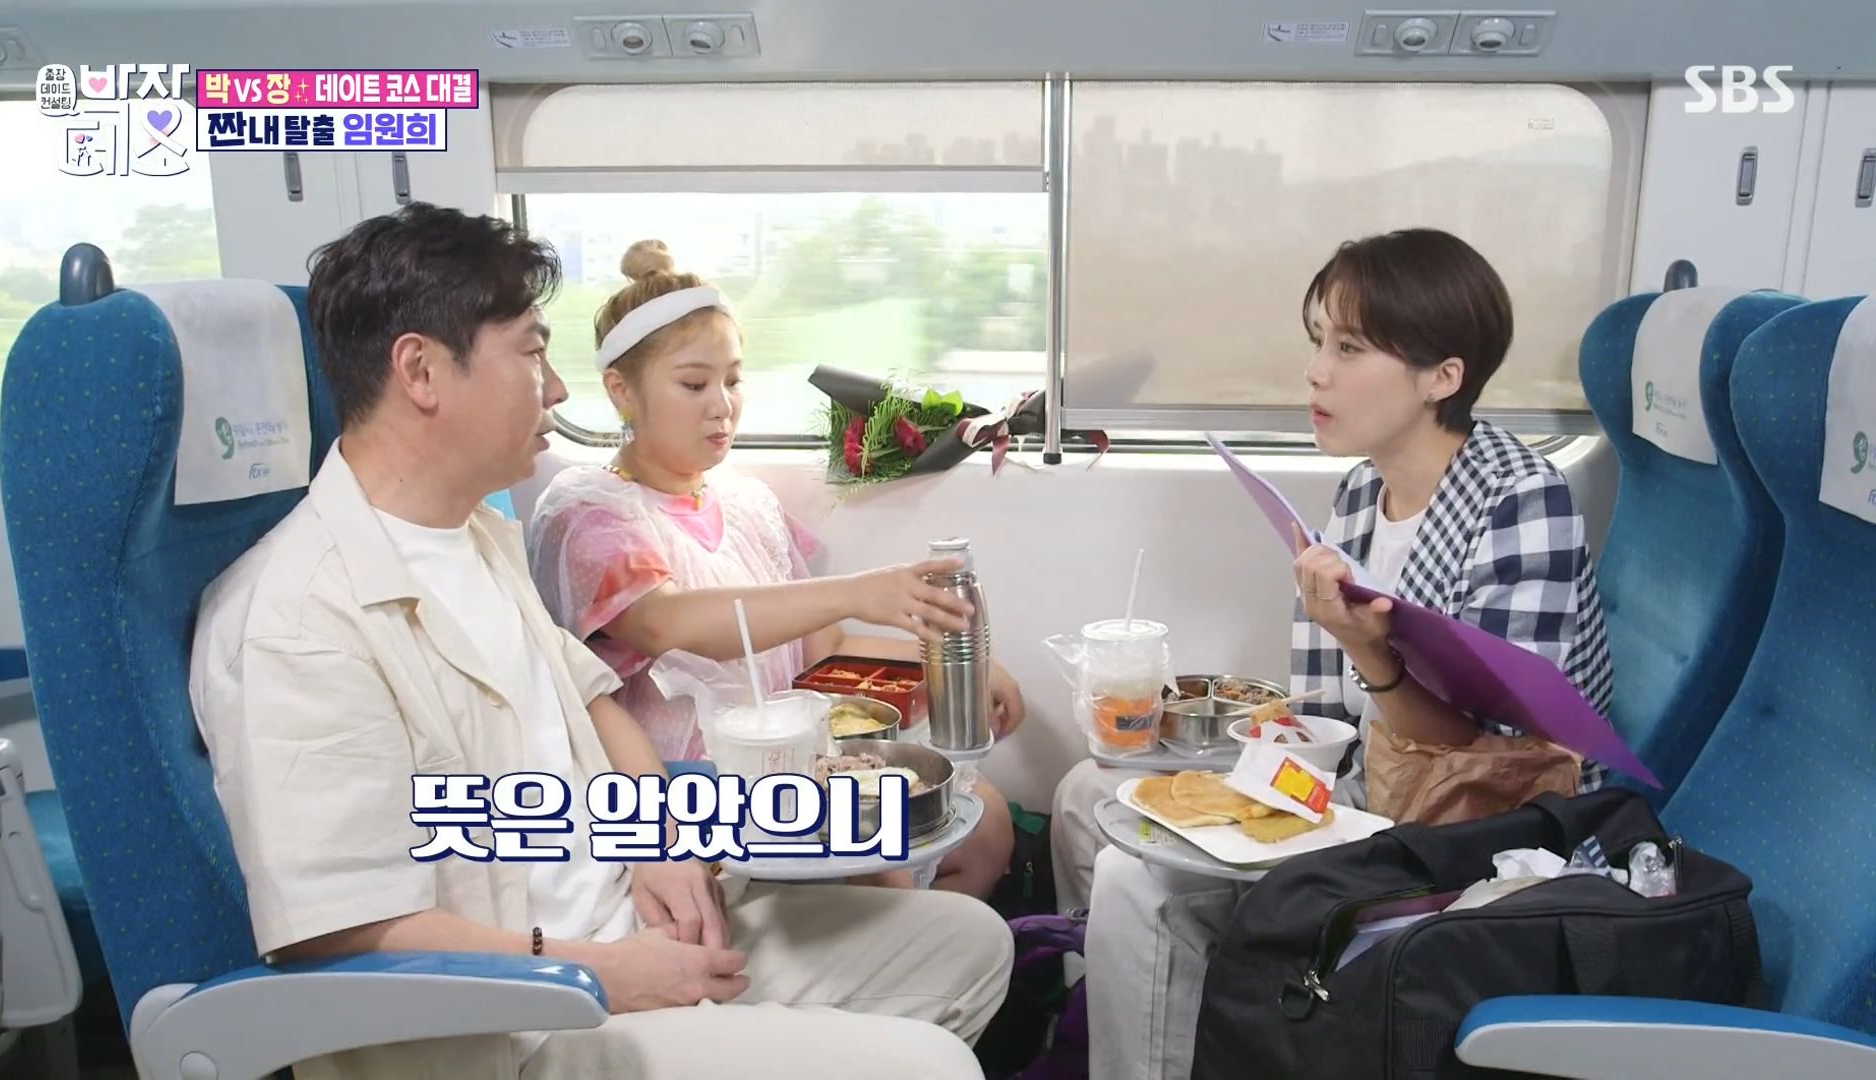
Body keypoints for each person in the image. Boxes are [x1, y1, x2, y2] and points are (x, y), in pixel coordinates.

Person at [188, 203, 1013, 1080]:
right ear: (422, 371)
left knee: (971, 945)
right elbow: (346, 930)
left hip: (632, 920)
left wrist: (659, 842)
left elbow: (592, 698)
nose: (554, 389)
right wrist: (595, 971)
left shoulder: (474, 536)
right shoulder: (295, 619)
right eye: (530, 353)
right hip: (527, 1018)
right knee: (932, 1067)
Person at [1057, 227, 1615, 1079]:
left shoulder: (1520, 501)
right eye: (1319, 341)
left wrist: (1370, 652)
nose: (1316, 371)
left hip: (1476, 827)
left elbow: (1494, 757)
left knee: (1143, 888)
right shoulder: (1361, 493)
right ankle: (1107, 1022)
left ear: (1442, 377)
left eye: (1349, 348)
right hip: (1363, 780)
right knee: (1086, 793)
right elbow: (1335, 719)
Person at [526, 239, 1025, 899]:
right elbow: (666, 622)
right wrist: (856, 591)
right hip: (687, 783)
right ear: (622, 390)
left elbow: (824, 647)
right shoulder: (592, 514)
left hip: (791, 756)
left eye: (733, 380)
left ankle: (918, 955)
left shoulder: (748, 504)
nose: (722, 405)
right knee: (886, 868)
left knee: (986, 820)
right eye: (694, 384)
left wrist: (958, 663)